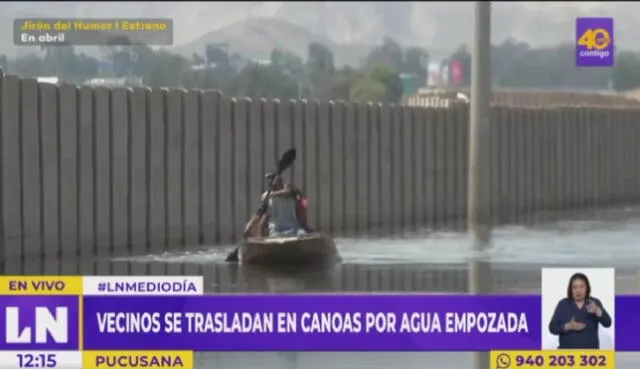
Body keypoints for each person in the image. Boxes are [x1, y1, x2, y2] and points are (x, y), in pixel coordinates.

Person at [548, 272, 612, 349]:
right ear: (570, 290)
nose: (578, 290)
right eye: (575, 287)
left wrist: (596, 311)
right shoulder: (563, 304)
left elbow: (608, 323)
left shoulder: (593, 303)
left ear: (587, 288)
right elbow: (552, 328)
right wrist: (568, 326)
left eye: (582, 287)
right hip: (567, 356)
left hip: (590, 357)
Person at [242, 172, 311, 238]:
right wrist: (249, 225)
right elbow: (261, 212)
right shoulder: (267, 197)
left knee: (303, 233)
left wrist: (273, 194)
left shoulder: (289, 191)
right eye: (270, 180)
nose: (271, 183)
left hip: (293, 229)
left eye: (273, 179)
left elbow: (290, 191)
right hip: (276, 231)